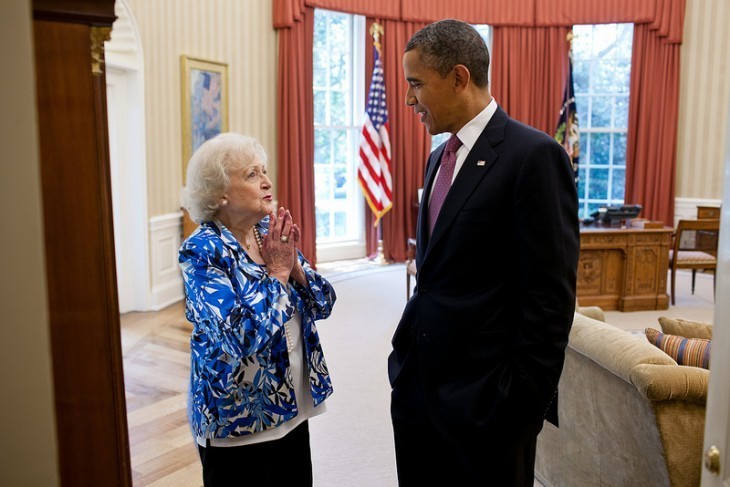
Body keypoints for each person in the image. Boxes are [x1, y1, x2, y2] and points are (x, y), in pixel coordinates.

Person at [388, 19, 579, 486]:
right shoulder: (438, 157)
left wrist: (518, 406)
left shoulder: (533, 156)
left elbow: (550, 301)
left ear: (458, 77)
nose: (409, 100)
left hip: (488, 407)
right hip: (418, 392)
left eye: (416, 84)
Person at [179, 132, 337, 486]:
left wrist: (294, 268)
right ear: (220, 193)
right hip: (239, 421)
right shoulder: (202, 251)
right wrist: (279, 274)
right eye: (252, 174)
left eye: (264, 171)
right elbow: (240, 337)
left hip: (291, 404)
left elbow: (324, 303)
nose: (267, 181)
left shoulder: (268, 230)